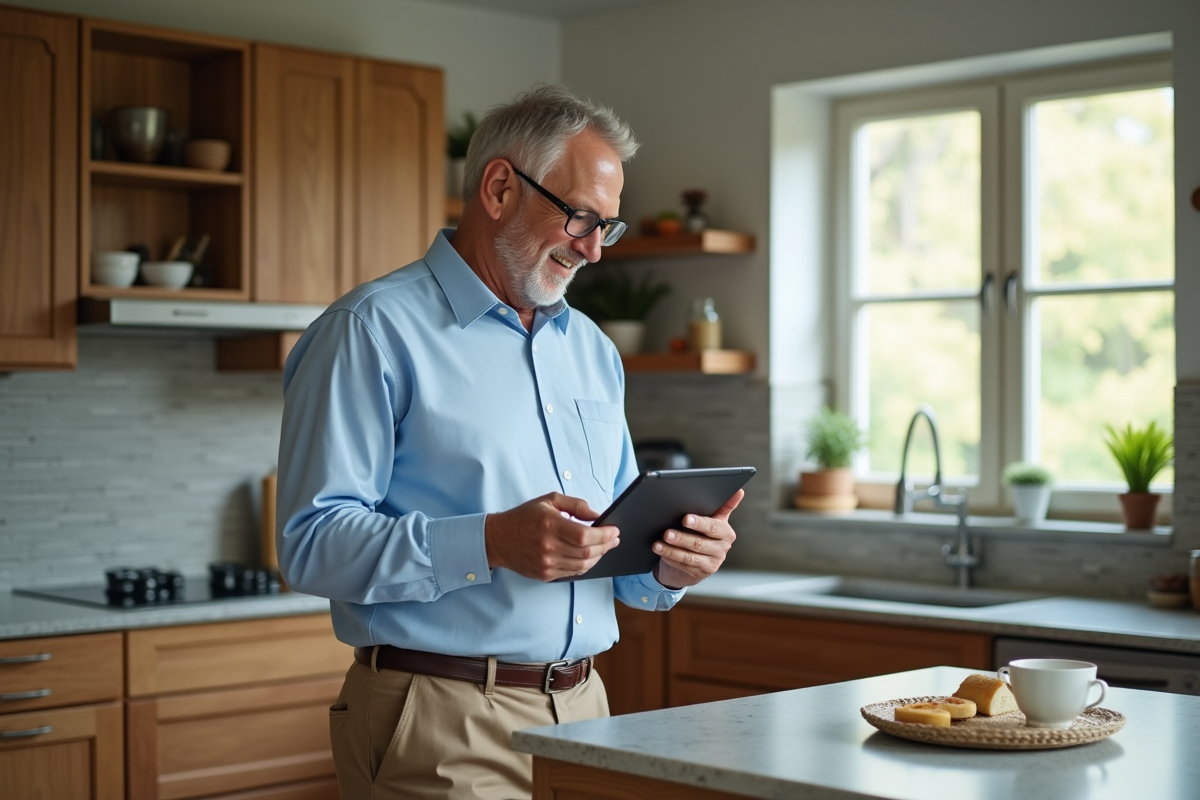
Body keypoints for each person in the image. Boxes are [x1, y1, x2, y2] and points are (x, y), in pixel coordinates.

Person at [275, 84, 745, 800]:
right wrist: (490, 542)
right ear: (499, 187)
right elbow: (311, 544)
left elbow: (621, 559)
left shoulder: (590, 349)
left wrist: (674, 566)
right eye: (581, 216)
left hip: (587, 712)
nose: (593, 250)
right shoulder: (370, 330)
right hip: (441, 717)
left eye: (607, 228)